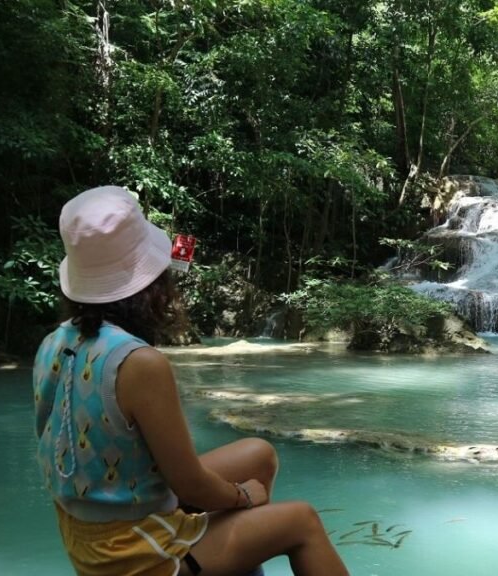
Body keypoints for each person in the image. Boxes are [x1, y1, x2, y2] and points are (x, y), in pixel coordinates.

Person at [33, 186, 349, 576]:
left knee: (259, 454)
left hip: (92, 534)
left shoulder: (54, 342)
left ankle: (231, 557)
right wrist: (242, 497)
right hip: (134, 557)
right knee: (302, 521)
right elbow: (190, 486)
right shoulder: (139, 363)